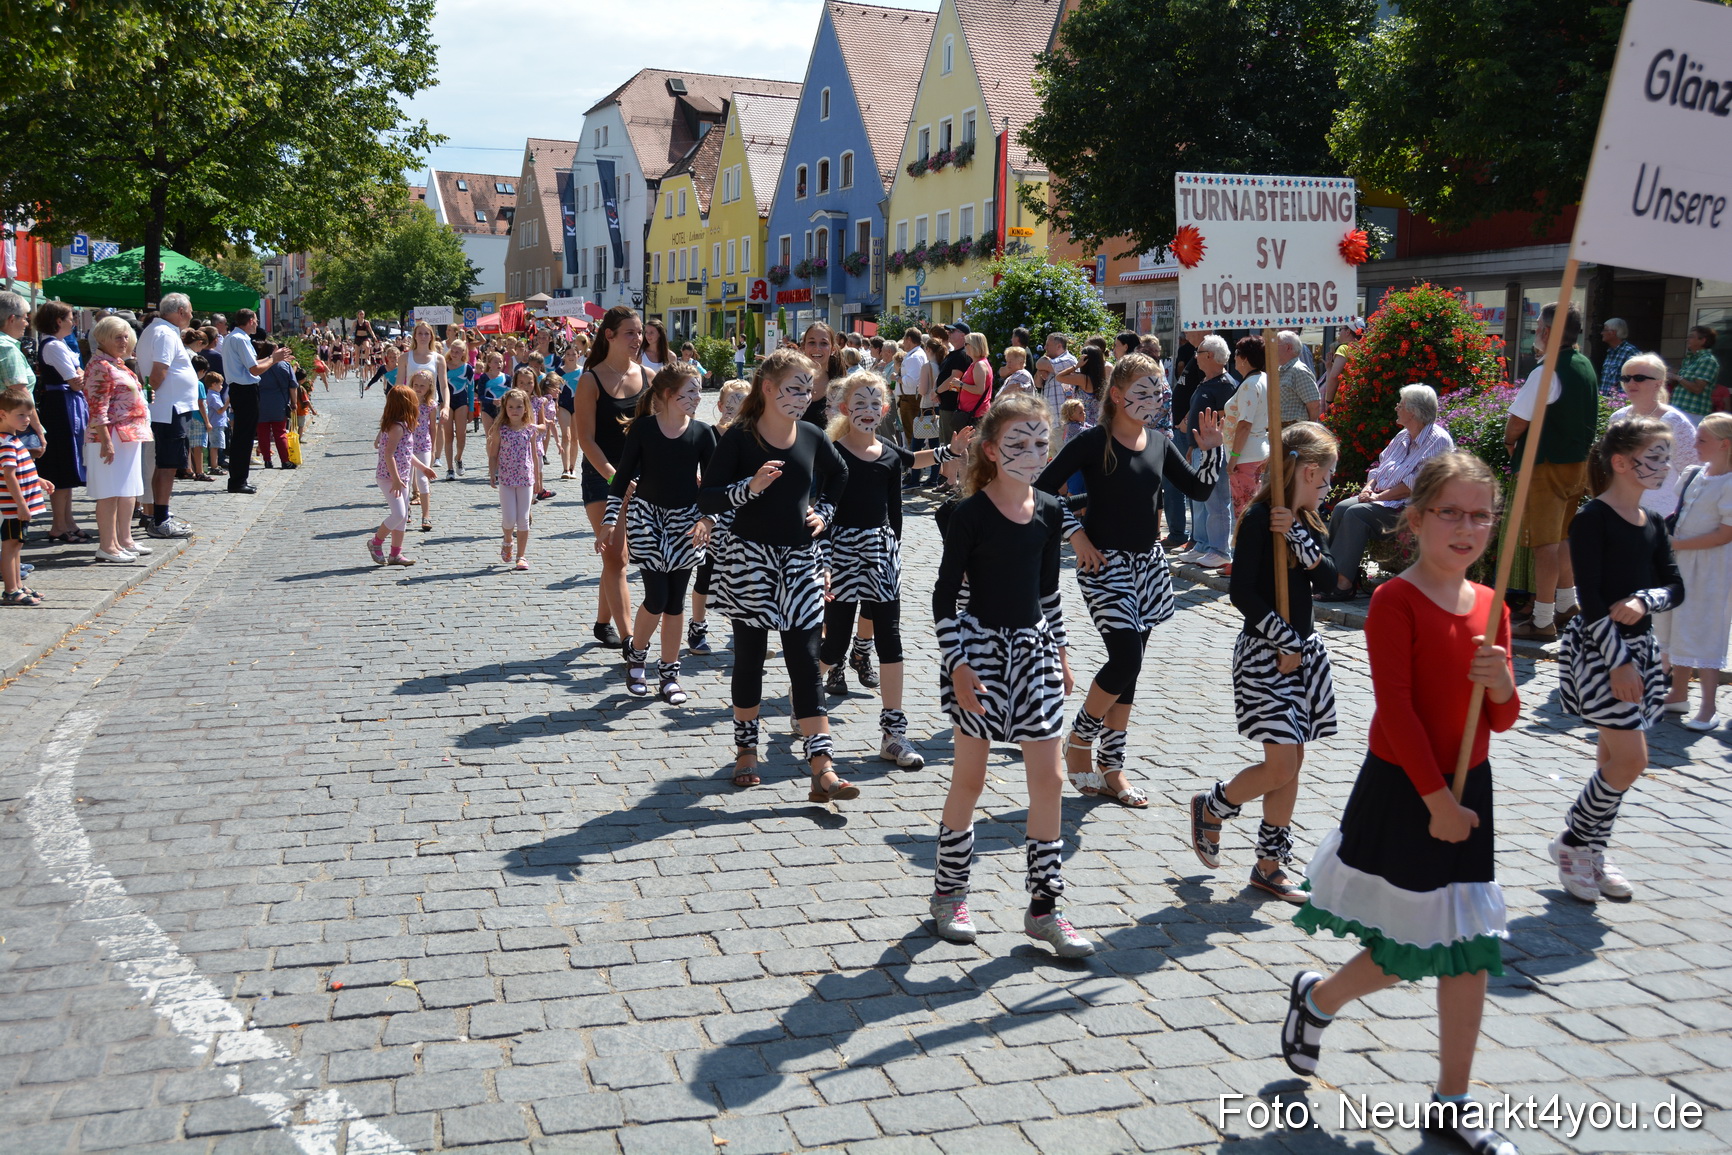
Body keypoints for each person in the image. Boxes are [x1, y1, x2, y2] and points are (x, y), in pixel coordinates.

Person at [1285, 452, 1522, 1155]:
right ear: (1414, 519)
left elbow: (1498, 721)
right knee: (1404, 948)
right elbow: (1396, 715)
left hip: (1468, 787)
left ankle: (1453, 1098)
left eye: (1480, 514)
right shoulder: (1395, 600)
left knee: (1467, 949)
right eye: (1450, 511)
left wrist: (1503, 683)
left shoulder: (1495, 603)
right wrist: (1435, 802)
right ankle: (1319, 998)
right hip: (1407, 786)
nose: (1466, 526)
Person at [929, 393, 1091, 957]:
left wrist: (1063, 654)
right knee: (969, 780)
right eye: (1019, 444)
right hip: (978, 651)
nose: (1033, 453)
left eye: (1042, 443)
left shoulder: (1049, 510)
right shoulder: (969, 514)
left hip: (1035, 654)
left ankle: (1045, 908)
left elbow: (1049, 592)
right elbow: (944, 598)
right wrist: (960, 664)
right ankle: (949, 893)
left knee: (1046, 781)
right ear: (993, 451)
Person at [1038, 353, 1223, 809]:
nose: (1154, 397)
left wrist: (1216, 448)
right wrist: (1076, 536)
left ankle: (1113, 769)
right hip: (1104, 566)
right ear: (1117, 396)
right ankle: (1080, 739)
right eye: (1143, 389)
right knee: (1123, 658)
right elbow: (1039, 489)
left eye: (1158, 389)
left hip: (1148, 566)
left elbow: (1198, 489)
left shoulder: (1159, 442)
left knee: (1133, 667)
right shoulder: (1092, 441)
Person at [1193, 422, 1342, 903]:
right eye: (1324, 480)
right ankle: (1213, 807)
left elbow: (1334, 580)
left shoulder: (1307, 522)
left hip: (1303, 656)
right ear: (1309, 470)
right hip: (1266, 656)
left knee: (1292, 763)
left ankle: (1270, 864)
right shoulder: (1259, 519)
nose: (1327, 488)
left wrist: (1299, 539)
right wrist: (1283, 638)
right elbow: (1243, 593)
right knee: (1280, 764)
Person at [697, 348, 854, 799]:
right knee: (749, 658)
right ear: (767, 389)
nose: (803, 398)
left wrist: (823, 512)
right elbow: (709, 499)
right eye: (794, 388)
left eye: (808, 389)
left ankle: (822, 764)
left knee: (805, 660)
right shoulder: (741, 438)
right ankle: (746, 751)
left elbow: (839, 476)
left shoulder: (811, 434)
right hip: (750, 561)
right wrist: (750, 488)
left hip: (801, 561)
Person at [1553, 416, 1682, 903]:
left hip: (1642, 653)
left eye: (1667, 456)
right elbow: (1589, 599)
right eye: (1657, 456)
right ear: (1623, 462)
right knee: (1631, 759)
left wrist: (1646, 599)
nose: (1665, 466)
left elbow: (1675, 586)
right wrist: (1618, 663)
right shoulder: (1592, 519)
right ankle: (1571, 840)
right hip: (1602, 654)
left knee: (1613, 760)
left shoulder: (1653, 523)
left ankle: (1592, 850)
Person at [820, 370, 965, 766]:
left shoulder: (885, 449)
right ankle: (810, 697)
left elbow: (912, 458)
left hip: (882, 551)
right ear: (845, 409)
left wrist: (947, 452)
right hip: (841, 551)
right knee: (834, 643)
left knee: (890, 638)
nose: (867, 411)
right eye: (859, 404)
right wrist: (822, 561)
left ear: (884, 409)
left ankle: (893, 732)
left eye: (874, 404)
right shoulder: (831, 454)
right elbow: (818, 507)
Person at [602, 364, 716, 703]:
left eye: (698, 391)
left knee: (676, 603)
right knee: (656, 598)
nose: (698, 397)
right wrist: (610, 520)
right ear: (669, 395)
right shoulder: (644, 430)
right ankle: (637, 656)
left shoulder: (703, 433)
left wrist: (708, 521)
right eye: (691, 391)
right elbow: (621, 478)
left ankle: (669, 673)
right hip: (647, 521)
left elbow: (712, 487)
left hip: (686, 524)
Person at [1505, 302, 1599, 640]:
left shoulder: (1546, 371)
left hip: (1546, 465)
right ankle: (1566, 604)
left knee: (1545, 543)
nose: (1535, 334)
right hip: (1577, 465)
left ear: (1546, 332)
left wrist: (1510, 441)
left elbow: (1517, 422)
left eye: (1537, 328)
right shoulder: (1584, 365)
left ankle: (1542, 619)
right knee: (1562, 538)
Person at [1323, 384, 1455, 601]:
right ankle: (1333, 576)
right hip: (1384, 500)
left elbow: (1415, 485)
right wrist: (1368, 488)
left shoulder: (1438, 440)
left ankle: (1343, 584)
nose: (1396, 408)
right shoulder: (1404, 435)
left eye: (1400, 405)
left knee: (1356, 514)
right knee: (1341, 508)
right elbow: (1381, 466)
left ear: (1413, 411)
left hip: (1410, 509)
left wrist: (1377, 497)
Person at [576, 307, 650, 647]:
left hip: (642, 477)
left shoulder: (648, 377)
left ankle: (602, 621)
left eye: (639, 333)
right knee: (617, 557)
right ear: (609, 335)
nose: (638, 339)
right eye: (630, 333)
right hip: (601, 475)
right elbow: (585, 439)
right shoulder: (590, 379)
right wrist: (613, 477)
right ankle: (629, 640)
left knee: (615, 557)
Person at [1659, 414, 1732, 730]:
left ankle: (1708, 707)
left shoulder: (1729, 483)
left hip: (1710, 570)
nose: (1694, 444)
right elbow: (1680, 512)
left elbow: (1725, 533)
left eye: (1702, 439)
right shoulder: (1694, 474)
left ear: (1724, 445)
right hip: (1682, 564)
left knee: (1703, 630)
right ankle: (1677, 693)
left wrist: (1679, 543)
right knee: (1675, 625)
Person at [687, 378, 751, 656]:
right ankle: (697, 626)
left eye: (743, 403)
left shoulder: (753, 436)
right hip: (713, 515)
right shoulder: (709, 434)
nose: (736, 409)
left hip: (745, 515)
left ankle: (743, 629)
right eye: (731, 403)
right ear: (721, 405)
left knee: (744, 573)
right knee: (707, 572)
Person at [82, 317, 155, 562]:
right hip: (111, 434)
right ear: (103, 338)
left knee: (127, 490)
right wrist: (105, 440)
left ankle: (124, 540)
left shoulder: (117, 364)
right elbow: (97, 407)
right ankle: (107, 545)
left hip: (128, 434)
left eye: (126, 337)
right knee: (109, 492)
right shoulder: (101, 365)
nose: (123, 341)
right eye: (117, 337)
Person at [137, 293, 203, 537]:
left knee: (163, 464)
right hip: (170, 408)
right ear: (181, 311)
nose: (192, 315)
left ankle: (157, 513)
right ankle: (161, 519)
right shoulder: (165, 333)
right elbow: (158, 373)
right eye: (190, 311)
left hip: (170, 407)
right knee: (167, 466)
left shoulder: (159, 330)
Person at [1176, 335, 1238, 570]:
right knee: (1201, 500)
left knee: (1217, 501)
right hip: (1200, 448)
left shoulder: (1225, 385)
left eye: (1199, 353)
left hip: (1215, 450)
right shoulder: (1207, 381)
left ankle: (1220, 550)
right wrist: (1192, 444)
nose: (1196, 357)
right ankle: (1202, 544)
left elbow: (1228, 417)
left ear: (1210, 356)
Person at [1609, 352, 1696, 518]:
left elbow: (1693, 470)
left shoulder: (1674, 421)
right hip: (1623, 508)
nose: (1631, 383)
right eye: (1626, 378)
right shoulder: (1617, 417)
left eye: (1639, 378)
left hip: (1664, 512)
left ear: (1658, 384)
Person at [31, 302, 90, 542]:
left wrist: (80, 375)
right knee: (61, 466)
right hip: (60, 408)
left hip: (68, 404)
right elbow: (76, 379)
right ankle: (58, 524)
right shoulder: (53, 345)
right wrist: (80, 376)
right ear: (58, 321)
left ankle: (68, 521)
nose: (73, 322)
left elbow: (79, 373)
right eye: (70, 318)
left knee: (68, 466)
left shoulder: (61, 344)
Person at [221, 307, 289, 496]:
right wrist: (274, 359)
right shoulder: (240, 339)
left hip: (241, 389)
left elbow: (254, 365)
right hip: (244, 390)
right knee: (244, 437)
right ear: (250, 320)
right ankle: (238, 481)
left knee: (243, 436)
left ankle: (239, 478)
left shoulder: (232, 338)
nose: (258, 323)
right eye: (256, 320)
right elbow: (254, 370)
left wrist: (271, 357)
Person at [369, 385, 435, 567]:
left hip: (402, 477)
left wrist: (423, 468)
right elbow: (388, 455)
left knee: (403, 517)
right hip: (389, 477)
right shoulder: (396, 427)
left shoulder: (405, 425)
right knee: (398, 514)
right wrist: (396, 480)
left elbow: (407, 453)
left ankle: (395, 554)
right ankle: (376, 542)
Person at [1, 387, 51, 605]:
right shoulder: (6, 444)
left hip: (19, 505)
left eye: (29, 415)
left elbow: (21, 471)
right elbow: (9, 476)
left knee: (17, 544)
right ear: (3, 414)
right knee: (11, 546)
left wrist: (38, 480)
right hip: (13, 506)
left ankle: (18, 585)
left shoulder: (14, 440)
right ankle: (11, 589)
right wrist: (21, 504)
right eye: (20, 415)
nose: (26, 419)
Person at [488, 387, 541, 572]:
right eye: (511, 407)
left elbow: (534, 455)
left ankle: (521, 555)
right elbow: (493, 454)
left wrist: (538, 479)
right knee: (509, 519)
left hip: (526, 478)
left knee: (523, 518)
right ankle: (507, 539)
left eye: (519, 407)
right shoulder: (500, 430)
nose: (515, 410)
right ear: (505, 408)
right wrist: (492, 473)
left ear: (525, 408)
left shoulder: (529, 429)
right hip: (506, 479)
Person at [1164, 330, 1206, 548]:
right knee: (1175, 483)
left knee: (1187, 483)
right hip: (1180, 429)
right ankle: (1181, 534)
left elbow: (1204, 395)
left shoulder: (1205, 356)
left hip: (1186, 430)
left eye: (1192, 326)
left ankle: (1194, 537)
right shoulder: (1195, 353)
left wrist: (1186, 421)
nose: (1186, 330)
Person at [1224, 337, 1269, 520]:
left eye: (1236, 354)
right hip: (1258, 451)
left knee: (1244, 512)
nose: (1234, 359)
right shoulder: (1264, 379)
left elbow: (1244, 425)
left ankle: (1245, 548)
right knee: (1253, 507)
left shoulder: (1250, 385)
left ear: (1244, 358)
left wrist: (1233, 458)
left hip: (1245, 456)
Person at [254, 342, 297, 470]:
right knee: (280, 433)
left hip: (261, 403)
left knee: (263, 433)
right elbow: (293, 386)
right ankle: (285, 460)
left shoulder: (258, 366)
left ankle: (267, 460)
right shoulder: (284, 365)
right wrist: (294, 403)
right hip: (279, 403)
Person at [406, 370, 439, 531]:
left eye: (422, 386)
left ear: (429, 388)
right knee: (405, 478)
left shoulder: (431, 405)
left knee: (423, 479)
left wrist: (433, 449)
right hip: (405, 445)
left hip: (423, 444)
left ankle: (426, 515)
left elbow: (433, 427)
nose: (418, 388)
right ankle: (405, 509)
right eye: (416, 385)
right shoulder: (405, 401)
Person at [798, 322, 847, 427]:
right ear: (803, 347)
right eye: (812, 342)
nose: (817, 348)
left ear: (833, 349)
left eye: (824, 343)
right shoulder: (789, 383)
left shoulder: (842, 387)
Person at [1034, 331, 1076, 454]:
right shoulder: (1051, 361)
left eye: (1048, 344)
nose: (1045, 347)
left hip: (1063, 424)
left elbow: (1039, 363)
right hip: (1052, 423)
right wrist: (1041, 370)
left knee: (1065, 462)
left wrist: (1043, 365)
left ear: (1059, 346)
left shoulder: (1068, 360)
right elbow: (1038, 383)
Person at [896, 329, 929, 474]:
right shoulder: (916, 355)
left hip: (910, 400)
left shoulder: (914, 357)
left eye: (904, 339)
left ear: (909, 339)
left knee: (911, 435)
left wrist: (897, 379)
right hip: (910, 399)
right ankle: (914, 470)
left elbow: (911, 381)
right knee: (914, 435)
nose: (903, 343)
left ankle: (913, 471)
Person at [1276, 331, 1323, 424]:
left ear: (1288, 347)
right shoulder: (1283, 370)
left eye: (1276, 345)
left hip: (1293, 430)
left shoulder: (1298, 370)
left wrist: (1308, 428)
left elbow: (1314, 404)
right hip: (1282, 429)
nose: (1272, 349)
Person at [1674, 325, 1719, 417]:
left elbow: (1697, 388)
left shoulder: (1707, 360)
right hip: (1679, 410)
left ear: (1703, 340)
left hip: (1693, 412)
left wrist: (1677, 377)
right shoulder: (1690, 359)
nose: (1687, 340)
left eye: (1691, 337)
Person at [444, 338, 473, 479]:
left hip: (462, 403)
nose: (454, 354)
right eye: (453, 351)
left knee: (461, 435)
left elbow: (471, 389)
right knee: (448, 436)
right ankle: (449, 468)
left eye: (458, 351)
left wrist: (472, 409)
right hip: (447, 403)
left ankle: (458, 458)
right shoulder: (444, 365)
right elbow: (439, 385)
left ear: (463, 352)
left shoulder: (467, 368)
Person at [1318, 323, 1362, 410]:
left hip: (1342, 403)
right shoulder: (1361, 348)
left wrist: (1329, 401)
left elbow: (1334, 376)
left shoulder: (1344, 348)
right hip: (1358, 399)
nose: (1339, 333)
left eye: (1340, 329)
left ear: (1348, 331)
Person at [1598, 318, 1641, 397]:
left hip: (1620, 404)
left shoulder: (1630, 352)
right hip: (1605, 404)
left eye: (1605, 330)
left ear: (1613, 332)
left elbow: (1636, 380)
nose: (1602, 333)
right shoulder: (1610, 352)